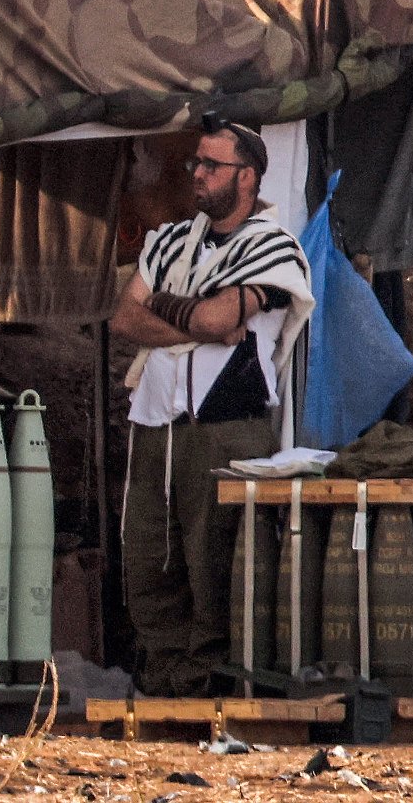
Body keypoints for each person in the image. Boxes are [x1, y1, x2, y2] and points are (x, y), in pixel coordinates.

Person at [111, 116, 313, 696]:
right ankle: (166, 678)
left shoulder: (275, 248)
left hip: (227, 425)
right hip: (157, 420)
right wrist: (195, 324)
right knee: (150, 552)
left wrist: (186, 315)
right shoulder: (171, 238)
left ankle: (210, 684)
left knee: (215, 558)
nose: (197, 173)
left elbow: (220, 318)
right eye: (194, 163)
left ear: (246, 177)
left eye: (211, 165)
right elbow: (127, 317)